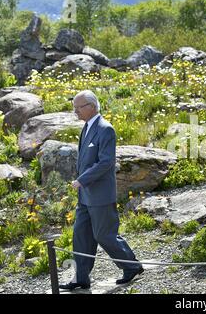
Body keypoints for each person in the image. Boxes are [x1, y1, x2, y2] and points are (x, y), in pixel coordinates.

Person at [59, 90, 144, 290]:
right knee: (81, 236)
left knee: (104, 235)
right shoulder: (86, 127)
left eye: (78, 107)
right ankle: (80, 278)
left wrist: (82, 179)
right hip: (85, 195)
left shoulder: (106, 129)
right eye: (74, 107)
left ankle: (132, 266)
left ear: (92, 106)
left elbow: (106, 162)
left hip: (100, 195)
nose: (75, 112)